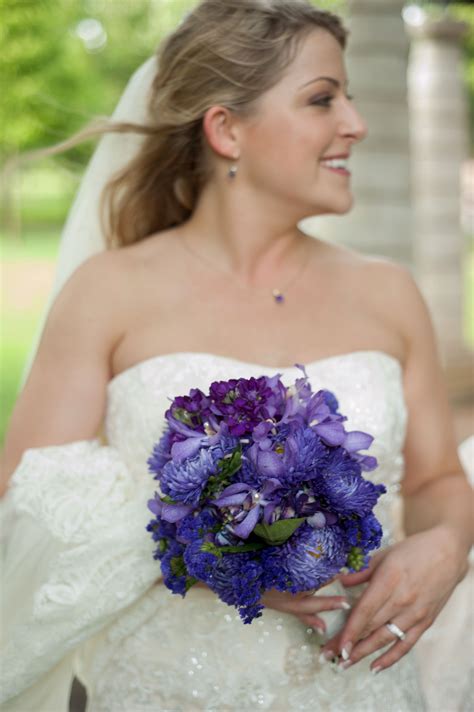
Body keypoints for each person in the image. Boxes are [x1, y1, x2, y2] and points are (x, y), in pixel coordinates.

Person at [1, 1, 472, 710]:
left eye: (347, 96)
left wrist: (447, 547)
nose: (356, 123)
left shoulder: (389, 294)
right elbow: (31, 500)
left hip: (362, 687)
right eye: (322, 99)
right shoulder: (108, 292)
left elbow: (436, 477)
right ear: (227, 129)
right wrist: (214, 542)